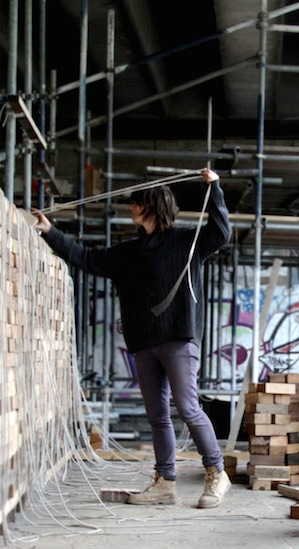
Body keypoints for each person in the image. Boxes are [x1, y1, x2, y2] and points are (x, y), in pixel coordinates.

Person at [32, 167, 232, 508]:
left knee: (187, 406)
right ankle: (165, 482)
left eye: (136, 203)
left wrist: (214, 190)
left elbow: (221, 232)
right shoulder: (129, 252)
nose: (130, 207)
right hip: (143, 342)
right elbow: (86, 257)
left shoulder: (187, 241)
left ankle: (216, 471)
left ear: (151, 206)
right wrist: (50, 231)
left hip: (178, 338)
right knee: (157, 415)